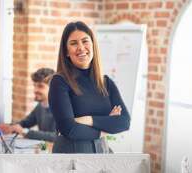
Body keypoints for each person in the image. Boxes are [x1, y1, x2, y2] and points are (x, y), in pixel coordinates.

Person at [48, 21, 130, 153]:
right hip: (71, 157)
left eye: (85, 41)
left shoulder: (106, 82)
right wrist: (106, 126)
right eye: (74, 43)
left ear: (93, 45)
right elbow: (69, 129)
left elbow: (124, 122)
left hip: (102, 153)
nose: (81, 47)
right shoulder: (59, 82)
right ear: (66, 52)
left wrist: (88, 120)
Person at [0, 68, 57, 142]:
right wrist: (10, 126)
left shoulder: (62, 108)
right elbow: (25, 123)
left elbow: (56, 136)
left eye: (40, 86)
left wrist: (24, 131)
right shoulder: (41, 106)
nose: (35, 90)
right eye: (34, 85)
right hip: (45, 149)